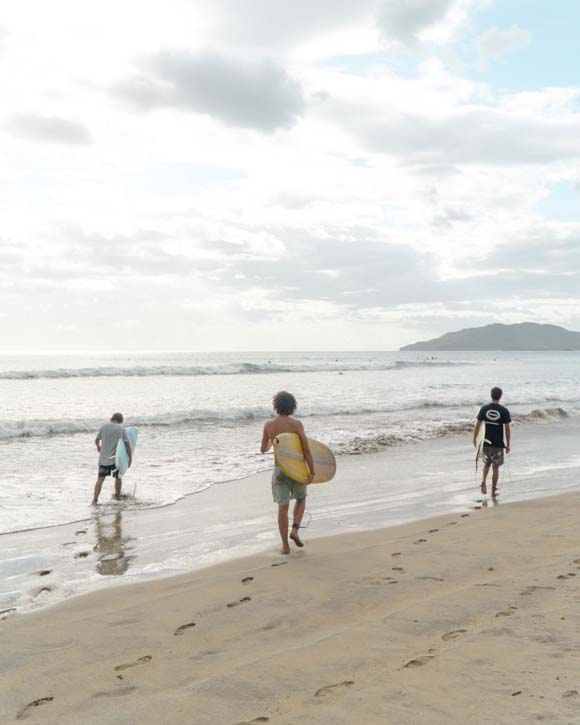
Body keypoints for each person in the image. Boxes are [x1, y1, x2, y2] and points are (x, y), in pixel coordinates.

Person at [261, 391, 315, 555]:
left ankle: (285, 545)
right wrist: (312, 471)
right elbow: (305, 448)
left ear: (276, 407)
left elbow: (263, 449)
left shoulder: (269, 425)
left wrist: (272, 441)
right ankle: (295, 530)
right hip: (296, 469)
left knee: (282, 507)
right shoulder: (296, 424)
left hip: (280, 470)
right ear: (293, 407)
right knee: (301, 498)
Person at [473, 387, 511, 496]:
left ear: (491, 395)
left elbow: (478, 425)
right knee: (496, 467)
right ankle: (493, 489)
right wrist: (508, 444)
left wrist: (475, 438)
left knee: (487, 465)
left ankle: (484, 482)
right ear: (500, 396)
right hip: (498, 444)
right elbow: (507, 429)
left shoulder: (484, 409)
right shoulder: (504, 410)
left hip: (486, 442)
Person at [92, 413, 132, 505]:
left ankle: (95, 499)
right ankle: (117, 496)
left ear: (111, 419)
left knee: (100, 479)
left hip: (103, 459)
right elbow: (127, 445)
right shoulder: (121, 429)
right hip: (115, 460)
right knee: (118, 477)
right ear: (121, 420)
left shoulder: (103, 427)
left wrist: (98, 447)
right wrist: (130, 458)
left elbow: (97, 440)